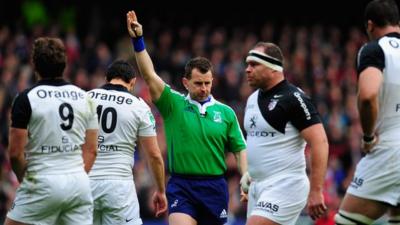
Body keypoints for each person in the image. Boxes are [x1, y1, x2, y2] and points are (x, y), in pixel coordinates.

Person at [126, 10, 248, 225]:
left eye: (207, 83)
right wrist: (138, 40)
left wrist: (245, 175)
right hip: (182, 185)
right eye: (198, 83)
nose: (204, 88)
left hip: (214, 187)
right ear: (185, 83)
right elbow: (149, 75)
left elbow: (239, 148)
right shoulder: (173, 103)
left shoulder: (226, 113)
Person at [5, 37, 98, 225]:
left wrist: (25, 179)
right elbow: (92, 150)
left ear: (34, 64)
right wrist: (75, 177)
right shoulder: (85, 97)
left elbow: (15, 154)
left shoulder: (25, 99)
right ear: (65, 63)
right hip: (78, 184)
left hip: (41, 180)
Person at [243, 42, 329, 225]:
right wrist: (250, 174)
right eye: (247, 64)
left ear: (273, 67)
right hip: (257, 187)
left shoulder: (294, 98)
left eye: (254, 64)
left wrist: (316, 190)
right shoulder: (251, 99)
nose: (247, 69)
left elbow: (320, 142)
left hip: (286, 184)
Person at [334, 0, 400, 224]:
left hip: (389, 150)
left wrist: (369, 136)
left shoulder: (374, 50)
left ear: (370, 25)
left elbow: (368, 96)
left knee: (346, 222)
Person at [88, 59, 167, 224]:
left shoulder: (85, 98)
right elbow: (154, 155)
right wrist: (160, 190)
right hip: (119, 186)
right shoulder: (139, 107)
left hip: (86, 183)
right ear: (133, 83)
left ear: (106, 78)